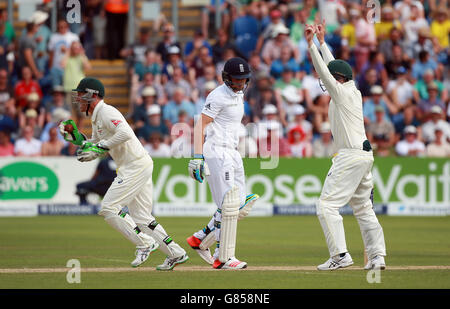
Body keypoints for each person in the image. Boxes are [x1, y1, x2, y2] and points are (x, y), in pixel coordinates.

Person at [59, 77, 188, 270]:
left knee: (109, 207)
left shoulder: (107, 111)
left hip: (134, 165)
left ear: (91, 95)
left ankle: (144, 243)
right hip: (136, 164)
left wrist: (99, 146)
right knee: (143, 218)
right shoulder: (96, 118)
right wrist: (85, 147)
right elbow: (99, 146)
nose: (78, 99)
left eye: (80, 94)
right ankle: (176, 253)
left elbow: (125, 133)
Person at [305, 22, 386, 271]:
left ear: (338, 80)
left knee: (326, 205)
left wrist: (310, 46)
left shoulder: (340, 92)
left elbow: (325, 72)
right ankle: (377, 257)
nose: (324, 81)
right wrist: (321, 42)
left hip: (349, 156)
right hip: (364, 155)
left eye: (330, 79)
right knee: (362, 208)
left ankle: (340, 255)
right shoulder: (353, 90)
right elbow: (333, 68)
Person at [186, 57, 259, 269]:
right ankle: (223, 257)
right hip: (217, 152)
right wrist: (197, 157)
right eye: (236, 80)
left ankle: (200, 239)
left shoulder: (239, 94)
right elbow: (201, 124)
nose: (240, 84)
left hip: (233, 153)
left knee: (239, 206)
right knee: (227, 207)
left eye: (244, 80)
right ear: (226, 79)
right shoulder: (217, 96)